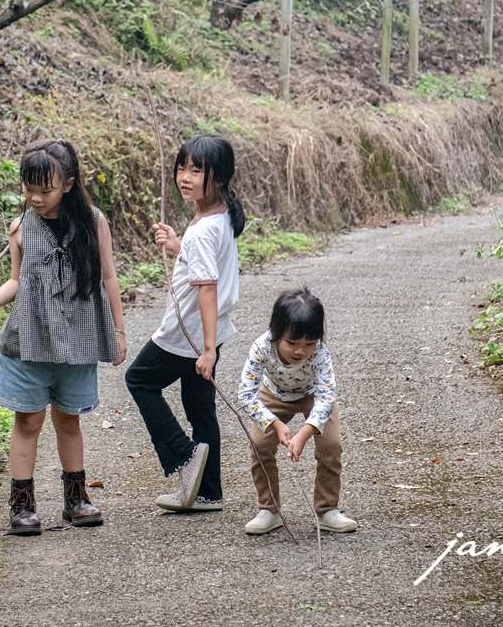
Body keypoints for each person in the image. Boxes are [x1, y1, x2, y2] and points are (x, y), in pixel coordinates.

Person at [0, 139, 128, 536]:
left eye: (44, 189)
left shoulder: (94, 222)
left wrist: (119, 331)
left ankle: (77, 499)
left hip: (77, 337)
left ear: (67, 185)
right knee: (28, 420)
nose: (35, 198)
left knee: (69, 419)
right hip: (29, 339)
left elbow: (108, 277)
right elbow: (17, 281)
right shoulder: (20, 228)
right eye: (28, 188)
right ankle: (22, 505)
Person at [126, 134, 244, 512]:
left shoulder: (206, 228)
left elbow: (206, 288)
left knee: (139, 379)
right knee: (199, 406)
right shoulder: (217, 215)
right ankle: (209, 492)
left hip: (189, 332)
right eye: (182, 168)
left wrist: (207, 350)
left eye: (197, 170)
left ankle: (184, 454)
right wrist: (180, 245)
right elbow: (203, 262)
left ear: (220, 178)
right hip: (207, 330)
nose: (185, 177)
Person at [237, 287, 357, 535]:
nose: (300, 351)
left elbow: (326, 397)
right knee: (260, 445)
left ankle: (327, 510)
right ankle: (269, 510)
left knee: (331, 446)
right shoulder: (261, 347)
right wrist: (275, 424)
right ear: (275, 333)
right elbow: (246, 394)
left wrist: (304, 433)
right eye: (291, 343)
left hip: (313, 396)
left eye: (309, 344)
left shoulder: (321, 353)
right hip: (274, 396)